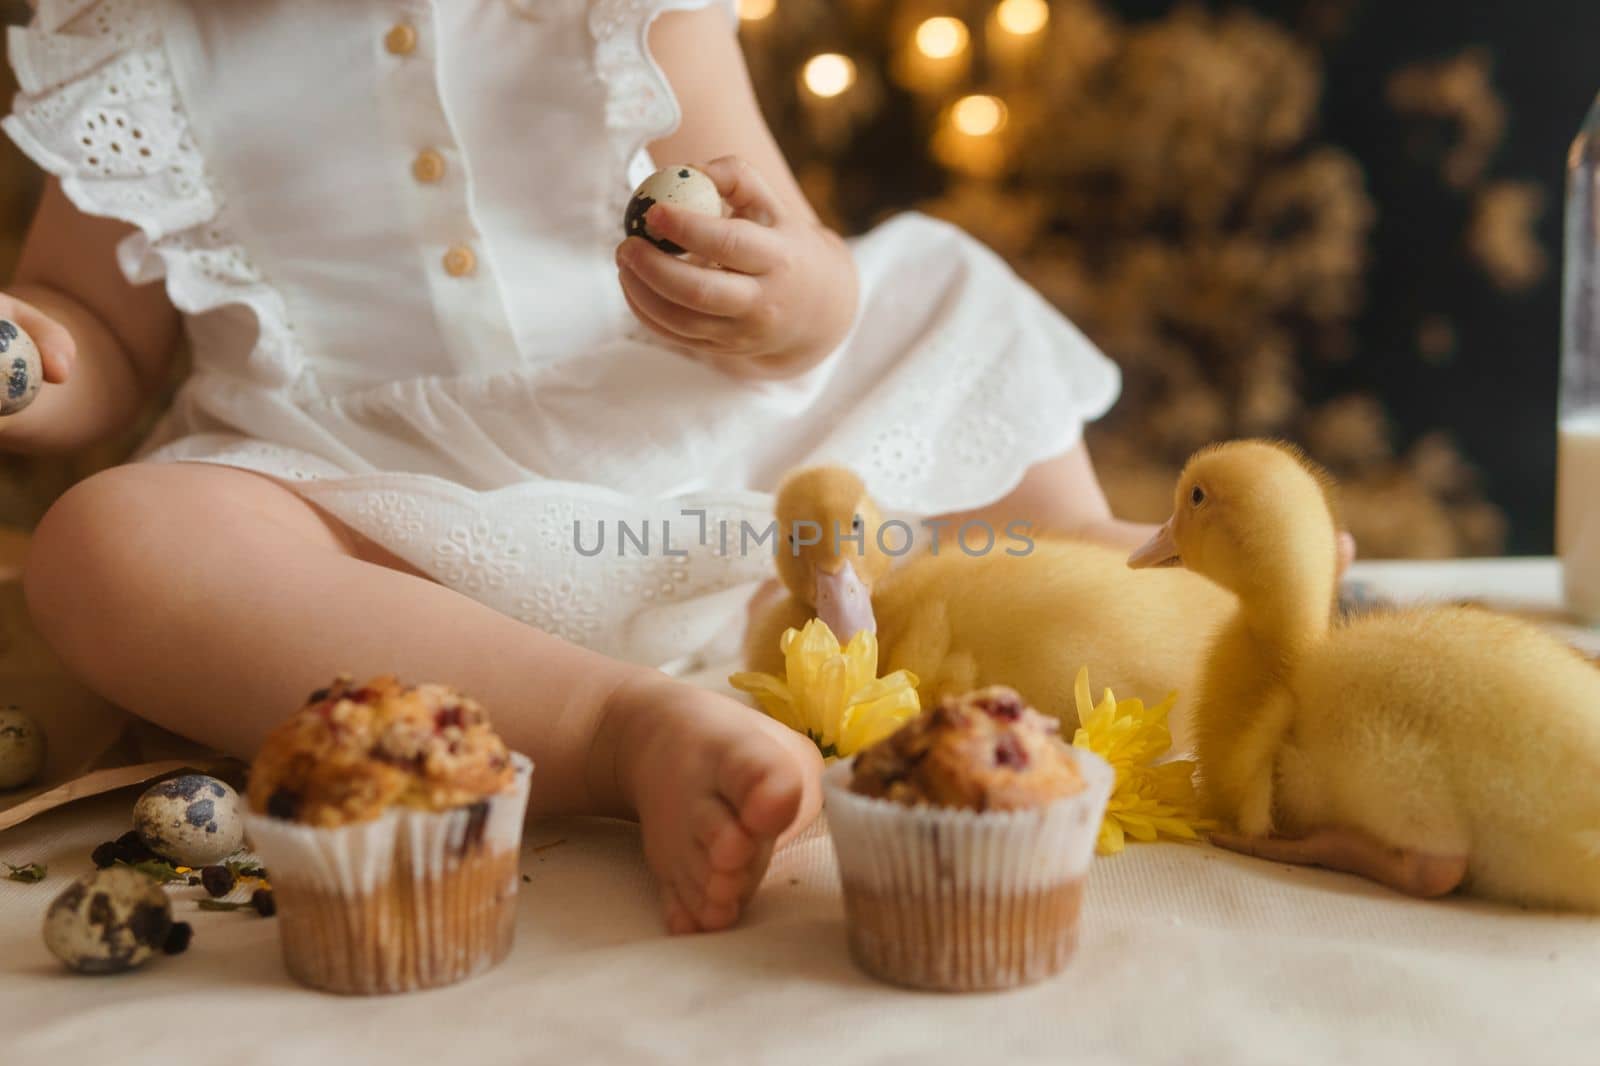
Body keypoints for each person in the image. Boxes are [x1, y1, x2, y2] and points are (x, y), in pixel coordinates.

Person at [2, 0, 1149, 934]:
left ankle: (1104, 564)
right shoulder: (134, 40)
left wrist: (789, 302)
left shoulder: (626, 12)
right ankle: (615, 729)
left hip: (708, 438)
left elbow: (791, 249)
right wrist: (32, 355)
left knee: (934, 289)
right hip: (379, 520)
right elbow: (96, 331)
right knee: (113, 544)